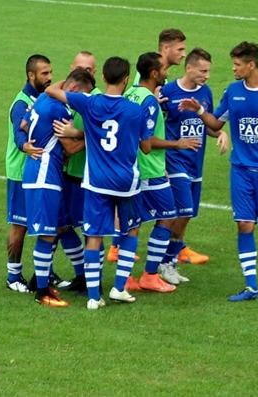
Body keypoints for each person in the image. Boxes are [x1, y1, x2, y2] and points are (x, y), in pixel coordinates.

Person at [179, 41, 258, 302]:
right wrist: (199, 110)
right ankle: (251, 286)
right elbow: (216, 121)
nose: (233, 69)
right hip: (241, 169)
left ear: (251, 65)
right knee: (244, 224)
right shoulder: (233, 92)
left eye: (237, 64)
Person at [45, 56, 152, 310]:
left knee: (93, 235)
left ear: (103, 78)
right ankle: (119, 288)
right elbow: (146, 148)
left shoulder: (89, 102)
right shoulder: (135, 111)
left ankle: (94, 296)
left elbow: (51, 90)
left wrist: (75, 76)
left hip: (96, 182)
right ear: (126, 80)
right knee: (131, 230)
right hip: (127, 182)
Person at [123, 52, 202, 293]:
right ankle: (149, 274)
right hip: (150, 170)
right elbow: (146, 143)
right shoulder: (148, 101)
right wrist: (177, 144)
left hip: (130, 168)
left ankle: (125, 278)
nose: (167, 74)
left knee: (131, 224)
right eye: (163, 71)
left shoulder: (130, 94)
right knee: (167, 216)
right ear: (154, 73)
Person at [21, 69, 96, 307]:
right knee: (47, 233)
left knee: (55, 229)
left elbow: (24, 124)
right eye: (81, 96)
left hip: (40, 172)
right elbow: (71, 149)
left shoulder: (44, 98)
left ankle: (46, 285)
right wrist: (94, 136)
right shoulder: (59, 109)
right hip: (44, 175)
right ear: (73, 90)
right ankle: (42, 291)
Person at [158, 47, 229, 285]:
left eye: (208, 71)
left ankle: (170, 262)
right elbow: (155, 120)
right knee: (184, 210)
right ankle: (163, 262)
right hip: (174, 159)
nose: (206, 76)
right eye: (203, 71)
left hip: (195, 163)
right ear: (189, 68)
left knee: (187, 216)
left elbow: (206, 122)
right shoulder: (168, 91)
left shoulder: (205, 92)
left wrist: (220, 133)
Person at [4, 54, 52, 293]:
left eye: (50, 72)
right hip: (21, 173)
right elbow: (18, 133)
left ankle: (46, 273)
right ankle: (13, 275)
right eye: (44, 73)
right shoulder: (22, 103)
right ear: (31, 75)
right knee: (19, 225)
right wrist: (25, 146)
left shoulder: (42, 97)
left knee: (45, 223)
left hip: (38, 172)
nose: (49, 77)